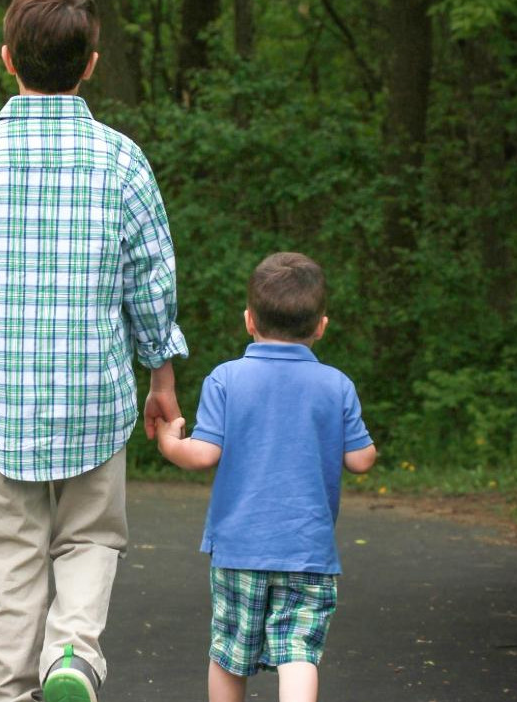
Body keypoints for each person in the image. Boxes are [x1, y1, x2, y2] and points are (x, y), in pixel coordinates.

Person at [0, 0, 188, 702]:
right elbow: (151, 281)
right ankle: (73, 654)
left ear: (6, 58)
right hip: (94, 394)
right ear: (92, 64)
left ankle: (6, 689)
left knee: (5, 552)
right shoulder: (121, 160)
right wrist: (161, 380)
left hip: (1, 399)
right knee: (90, 537)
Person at [156, 252, 378, 702]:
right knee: (299, 652)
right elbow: (360, 460)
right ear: (321, 326)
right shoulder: (337, 385)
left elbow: (202, 455)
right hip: (308, 550)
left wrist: (168, 442)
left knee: (229, 652)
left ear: (249, 320)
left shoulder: (226, 379)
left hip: (239, 548)